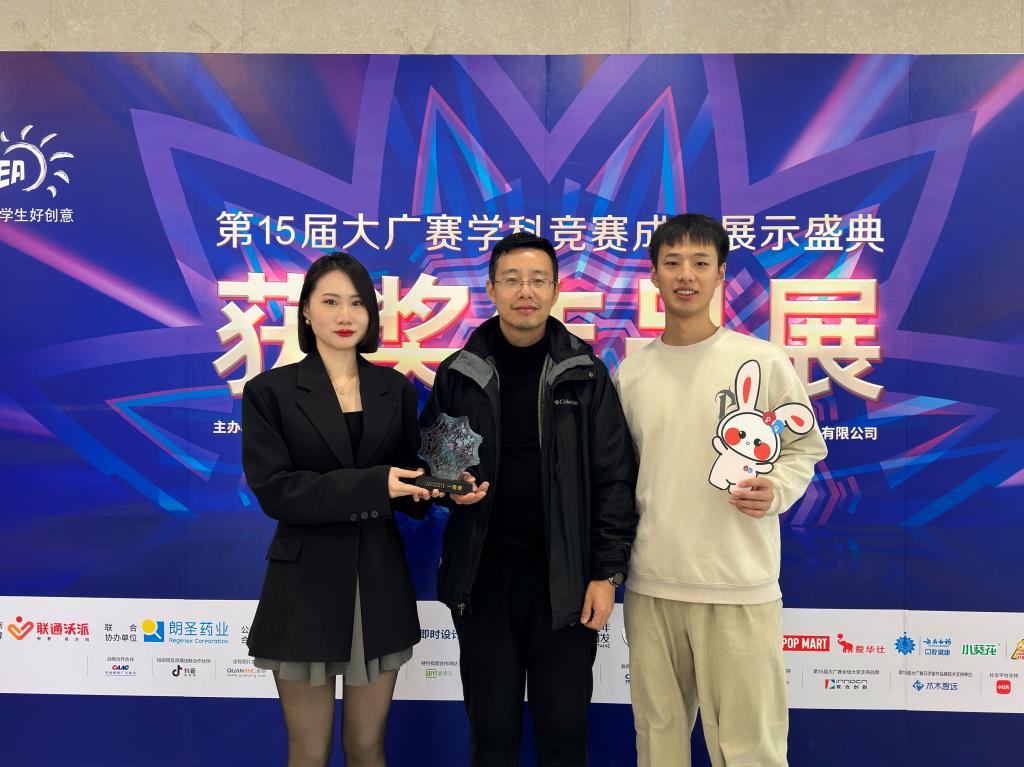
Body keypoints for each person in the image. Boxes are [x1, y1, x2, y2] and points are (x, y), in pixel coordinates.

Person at [614, 214, 828, 767]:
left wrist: (775, 489)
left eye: (700, 263)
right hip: (652, 582)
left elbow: (804, 447)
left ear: (721, 274)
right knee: (658, 738)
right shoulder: (631, 374)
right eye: (672, 263)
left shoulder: (761, 360)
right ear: (654, 275)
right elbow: (617, 476)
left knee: (750, 746)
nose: (686, 275)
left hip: (738, 581)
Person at [420, 231, 638, 766]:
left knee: (563, 731)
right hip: (484, 579)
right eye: (512, 280)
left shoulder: (585, 373)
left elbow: (614, 478)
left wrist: (606, 573)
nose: (526, 291)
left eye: (538, 280)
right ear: (491, 289)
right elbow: (434, 468)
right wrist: (450, 489)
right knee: (491, 733)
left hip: (565, 582)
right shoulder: (459, 373)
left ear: (556, 290)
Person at [242, 252, 439, 767]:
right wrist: (376, 484)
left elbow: (408, 476)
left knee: (368, 746)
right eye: (330, 302)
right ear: (307, 311)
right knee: (308, 751)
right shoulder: (269, 392)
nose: (345, 315)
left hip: (378, 581)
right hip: (303, 585)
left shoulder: (395, 389)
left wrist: (440, 489)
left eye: (357, 303)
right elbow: (277, 492)